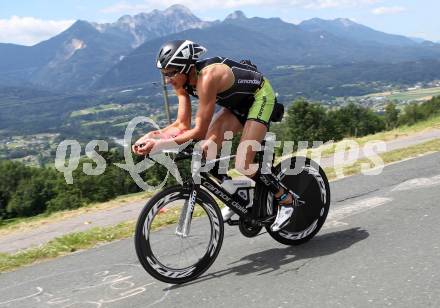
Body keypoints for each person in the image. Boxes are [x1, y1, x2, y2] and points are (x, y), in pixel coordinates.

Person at [132, 40, 294, 231]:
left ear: (185, 68)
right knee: (205, 152)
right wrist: (153, 136)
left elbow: (199, 131)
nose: (168, 79)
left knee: (243, 162)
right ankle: (237, 193)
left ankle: (286, 200)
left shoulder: (207, 78)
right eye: (164, 74)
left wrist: (159, 146)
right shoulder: (181, 82)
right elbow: (181, 125)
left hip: (260, 98)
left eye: (171, 73)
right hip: (237, 106)